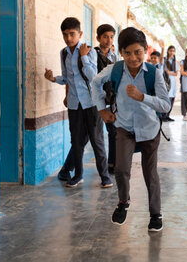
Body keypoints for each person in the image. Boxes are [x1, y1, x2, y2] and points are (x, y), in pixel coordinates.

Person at [92, 27, 171, 232]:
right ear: (121, 52)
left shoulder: (154, 73)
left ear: (145, 50)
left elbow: (165, 105)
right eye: (127, 53)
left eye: (138, 52)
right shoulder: (115, 70)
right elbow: (95, 82)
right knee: (121, 169)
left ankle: (155, 214)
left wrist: (142, 97)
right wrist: (102, 109)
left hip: (149, 130)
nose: (133, 57)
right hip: (124, 127)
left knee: (150, 173)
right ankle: (123, 202)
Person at [44, 17, 112, 188]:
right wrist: (53, 79)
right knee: (76, 142)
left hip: (91, 103)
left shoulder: (89, 51)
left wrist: (84, 57)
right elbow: (67, 77)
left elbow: (93, 76)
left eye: (72, 34)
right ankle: (78, 175)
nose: (68, 38)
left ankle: (105, 176)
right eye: (65, 35)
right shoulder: (64, 53)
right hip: (75, 104)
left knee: (97, 141)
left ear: (80, 34)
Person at [95, 24, 118, 175]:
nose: (109, 40)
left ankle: (112, 163)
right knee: (92, 136)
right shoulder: (92, 54)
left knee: (113, 131)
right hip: (96, 99)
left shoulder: (114, 56)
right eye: (105, 37)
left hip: (111, 98)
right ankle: (68, 168)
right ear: (98, 38)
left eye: (111, 37)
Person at [162, 45, 179, 121]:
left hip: (173, 81)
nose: (172, 52)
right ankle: (163, 116)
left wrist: (170, 73)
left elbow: (176, 74)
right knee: (167, 97)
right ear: (168, 51)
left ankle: (168, 115)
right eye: (170, 50)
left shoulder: (175, 61)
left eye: (173, 51)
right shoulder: (164, 60)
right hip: (166, 80)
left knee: (172, 98)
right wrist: (169, 73)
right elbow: (165, 71)